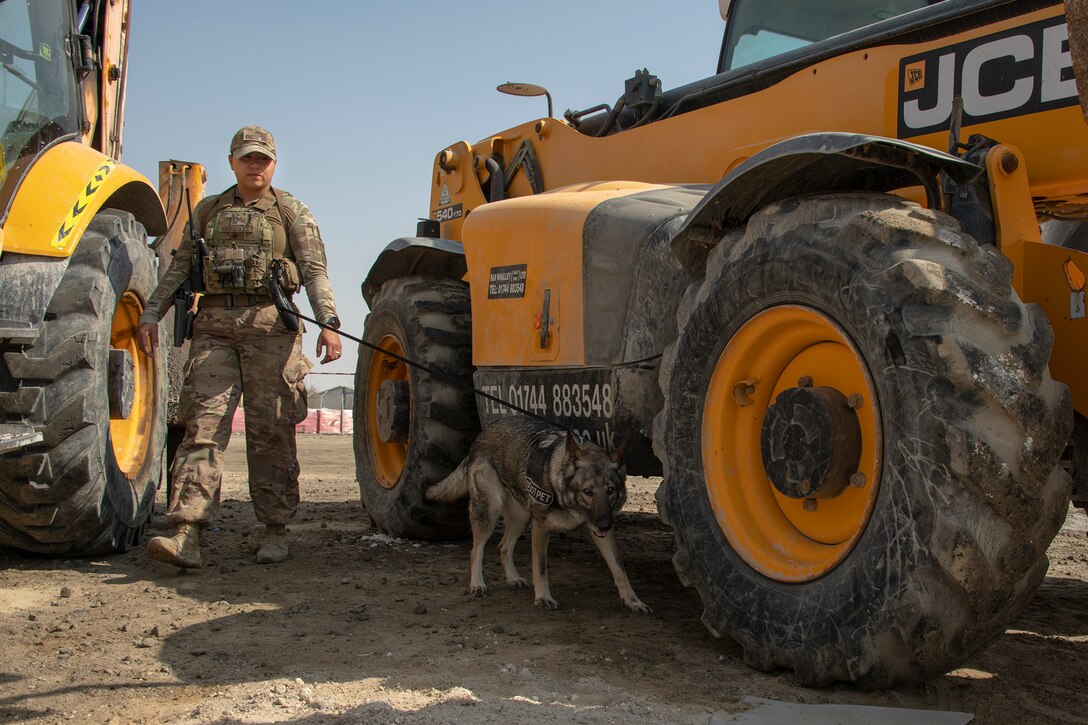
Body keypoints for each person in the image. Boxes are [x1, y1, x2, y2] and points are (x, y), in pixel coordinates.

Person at [137, 125, 342, 568]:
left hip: (272, 330)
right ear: (232, 161)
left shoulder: (291, 212)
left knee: (271, 432)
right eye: (247, 158)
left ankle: (273, 527)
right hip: (214, 328)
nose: (255, 166)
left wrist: (328, 322)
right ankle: (186, 532)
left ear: (273, 164)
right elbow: (179, 270)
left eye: (263, 159)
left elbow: (314, 269)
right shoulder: (208, 211)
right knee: (203, 428)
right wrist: (151, 312)